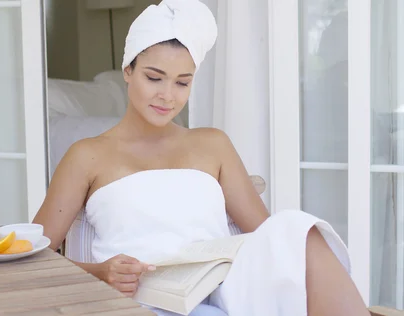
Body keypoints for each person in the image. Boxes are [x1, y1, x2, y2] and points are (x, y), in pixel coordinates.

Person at [32, 0, 370, 315]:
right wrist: (101, 273)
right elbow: (35, 257)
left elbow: (267, 238)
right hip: (141, 300)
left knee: (297, 227)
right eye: (154, 78)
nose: (167, 95)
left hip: (221, 291)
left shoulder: (213, 145)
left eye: (182, 83)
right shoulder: (87, 155)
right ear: (127, 70)